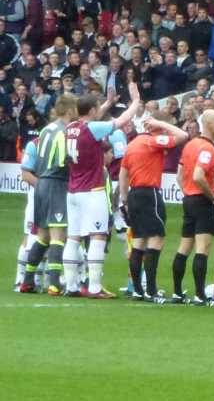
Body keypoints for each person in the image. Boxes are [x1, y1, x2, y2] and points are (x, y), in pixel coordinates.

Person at [64, 90, 139, 299]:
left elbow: (90, 120)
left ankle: (71, 285)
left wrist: (106, 103)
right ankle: (95, 287)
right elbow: (122, 120)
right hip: (92, 190)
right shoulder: (93, 128)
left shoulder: (70, 128)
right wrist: (135, 101)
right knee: (98, 236)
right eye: (98, 107)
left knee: (73, 237)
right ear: (92, 110)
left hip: (73, 191)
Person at [118, 112, 188, 303]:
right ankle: (151, 290)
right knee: (156, 240)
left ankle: (138, 290)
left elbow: (123, 174)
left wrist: (125, 200)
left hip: (133, 195)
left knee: (138, 242)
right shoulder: (152, 141)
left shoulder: (131, 145)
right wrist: (160, 124)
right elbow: (183, 136)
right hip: (149, 194)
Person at [173, 109, 214, 304]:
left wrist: (187, 192)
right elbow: (198, 175)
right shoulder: (207, 148)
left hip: (188, 199)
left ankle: (178, 293)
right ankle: (199, 295)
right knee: (202, 248)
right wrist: (212, 196)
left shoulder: (190, 144)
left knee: (184, 247)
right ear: (210, 125)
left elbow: (180, 175)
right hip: (202, 201)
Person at [21, 98, 73, 295]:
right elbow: (62, 161)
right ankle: (53, 283)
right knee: (58, 235)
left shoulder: (46, 130)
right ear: (69, 110)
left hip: (41, 183)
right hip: (56, 183)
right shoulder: (63, 132)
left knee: (42, 235)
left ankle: (27, 280)